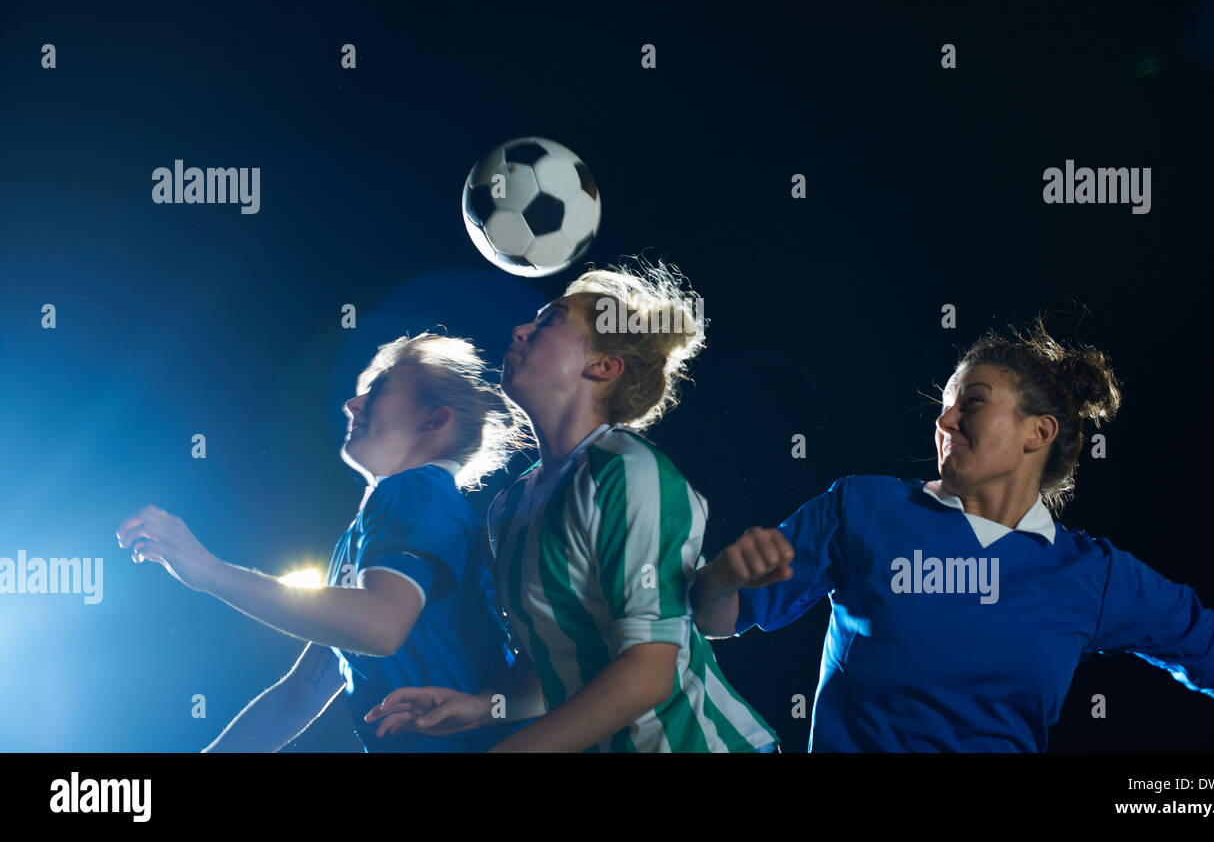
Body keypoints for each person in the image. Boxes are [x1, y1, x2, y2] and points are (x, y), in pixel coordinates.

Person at [691, 316, 1214, 751]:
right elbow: (719, 617)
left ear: (1037, 433)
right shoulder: (863, 508)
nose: (945, 418)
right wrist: (720, 577)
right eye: (945, 405)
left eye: (972, 402)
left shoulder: (1092, 577)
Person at [366, 261, 780, 751]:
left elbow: (648, 676)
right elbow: (560, 671)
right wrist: (480, 708)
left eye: (548, 322)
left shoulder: (628, 473)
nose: (519, 330)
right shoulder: (509, 506)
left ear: (602, 366)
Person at [115, 332, 534, 752]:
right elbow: (296, 699)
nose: (352, 405)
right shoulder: (363, 535)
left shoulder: (417, 491)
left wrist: (210, 571)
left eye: (378, 390)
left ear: (434, 421)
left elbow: (380, 626)